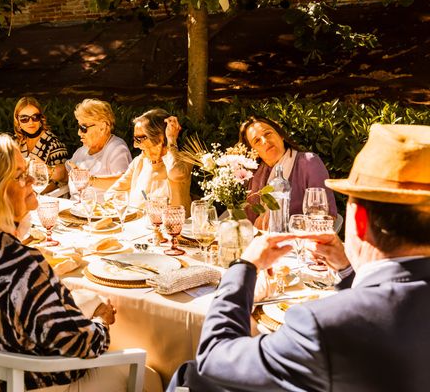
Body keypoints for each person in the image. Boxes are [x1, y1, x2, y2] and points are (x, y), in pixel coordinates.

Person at [167, 123, 430, 392]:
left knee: (191, 378)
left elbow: (214, 358)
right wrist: (347, 268)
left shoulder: (322, 326)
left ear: (359, 221)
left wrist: (243, 268)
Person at [0, 134, 124, 391]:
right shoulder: (20, 266)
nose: (31, 180)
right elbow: (81, 346)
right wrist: (101, 322)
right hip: (13, 383)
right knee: (147, 373)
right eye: (20, 175)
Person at [239, 115, 337, 228]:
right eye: (257, 141)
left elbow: (326, 217)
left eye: (268, 133)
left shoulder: (309, 162)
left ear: (281, 135)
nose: (265, 141)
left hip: (300, 241)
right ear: (253, 151)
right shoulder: (252, 175)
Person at [107, 109, 191, 213]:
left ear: (160, 137)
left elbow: (175, 173)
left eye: (139, 139)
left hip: (174, 227)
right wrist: (129, 209)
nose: (135, 145)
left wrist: (171, 139)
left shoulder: (183, 160)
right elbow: (111, 193)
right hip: (138, 226)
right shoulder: (139, 162)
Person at [69, 99, 132, 192]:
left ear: (102, 127)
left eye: (83, 128)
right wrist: (49, 170)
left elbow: (124, 182)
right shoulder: (82, 151)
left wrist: (89, 180)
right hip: (75, 204)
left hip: (102, 206)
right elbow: (64, 172)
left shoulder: (117, 148)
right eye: (79, 127)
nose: (79, 133)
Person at [13, 97, 68, 194]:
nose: (31, 122)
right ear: (17, 120)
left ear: (41, 119)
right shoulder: (15, 143)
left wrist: (33, 194)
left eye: (35, 117)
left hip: (49, 198)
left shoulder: (54, 144)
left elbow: (61, 182)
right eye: (24, 118)